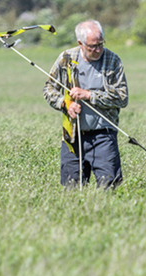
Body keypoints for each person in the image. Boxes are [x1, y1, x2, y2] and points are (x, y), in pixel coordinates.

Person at [43, 20, 128, 189]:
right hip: (72, 135)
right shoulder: (66, 58)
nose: (98, 50)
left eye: (100, 44)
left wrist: (89, 95)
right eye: (92, 46)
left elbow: (122, 97)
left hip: (104, 135)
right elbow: (49, 89)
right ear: (80, 43)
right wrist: (64, 104)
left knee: (109, 186)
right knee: (71, 188)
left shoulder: (112, 60)